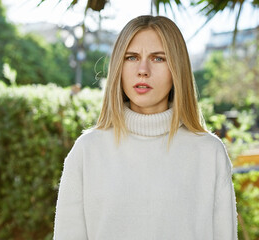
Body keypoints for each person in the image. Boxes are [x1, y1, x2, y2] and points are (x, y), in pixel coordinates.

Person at [53, 15, 237, 240]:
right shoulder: (87, 151)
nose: (143, 70)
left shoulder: (209, 153)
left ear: (177, 69)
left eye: (158, 58)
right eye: (131, 57)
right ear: (118, 67)